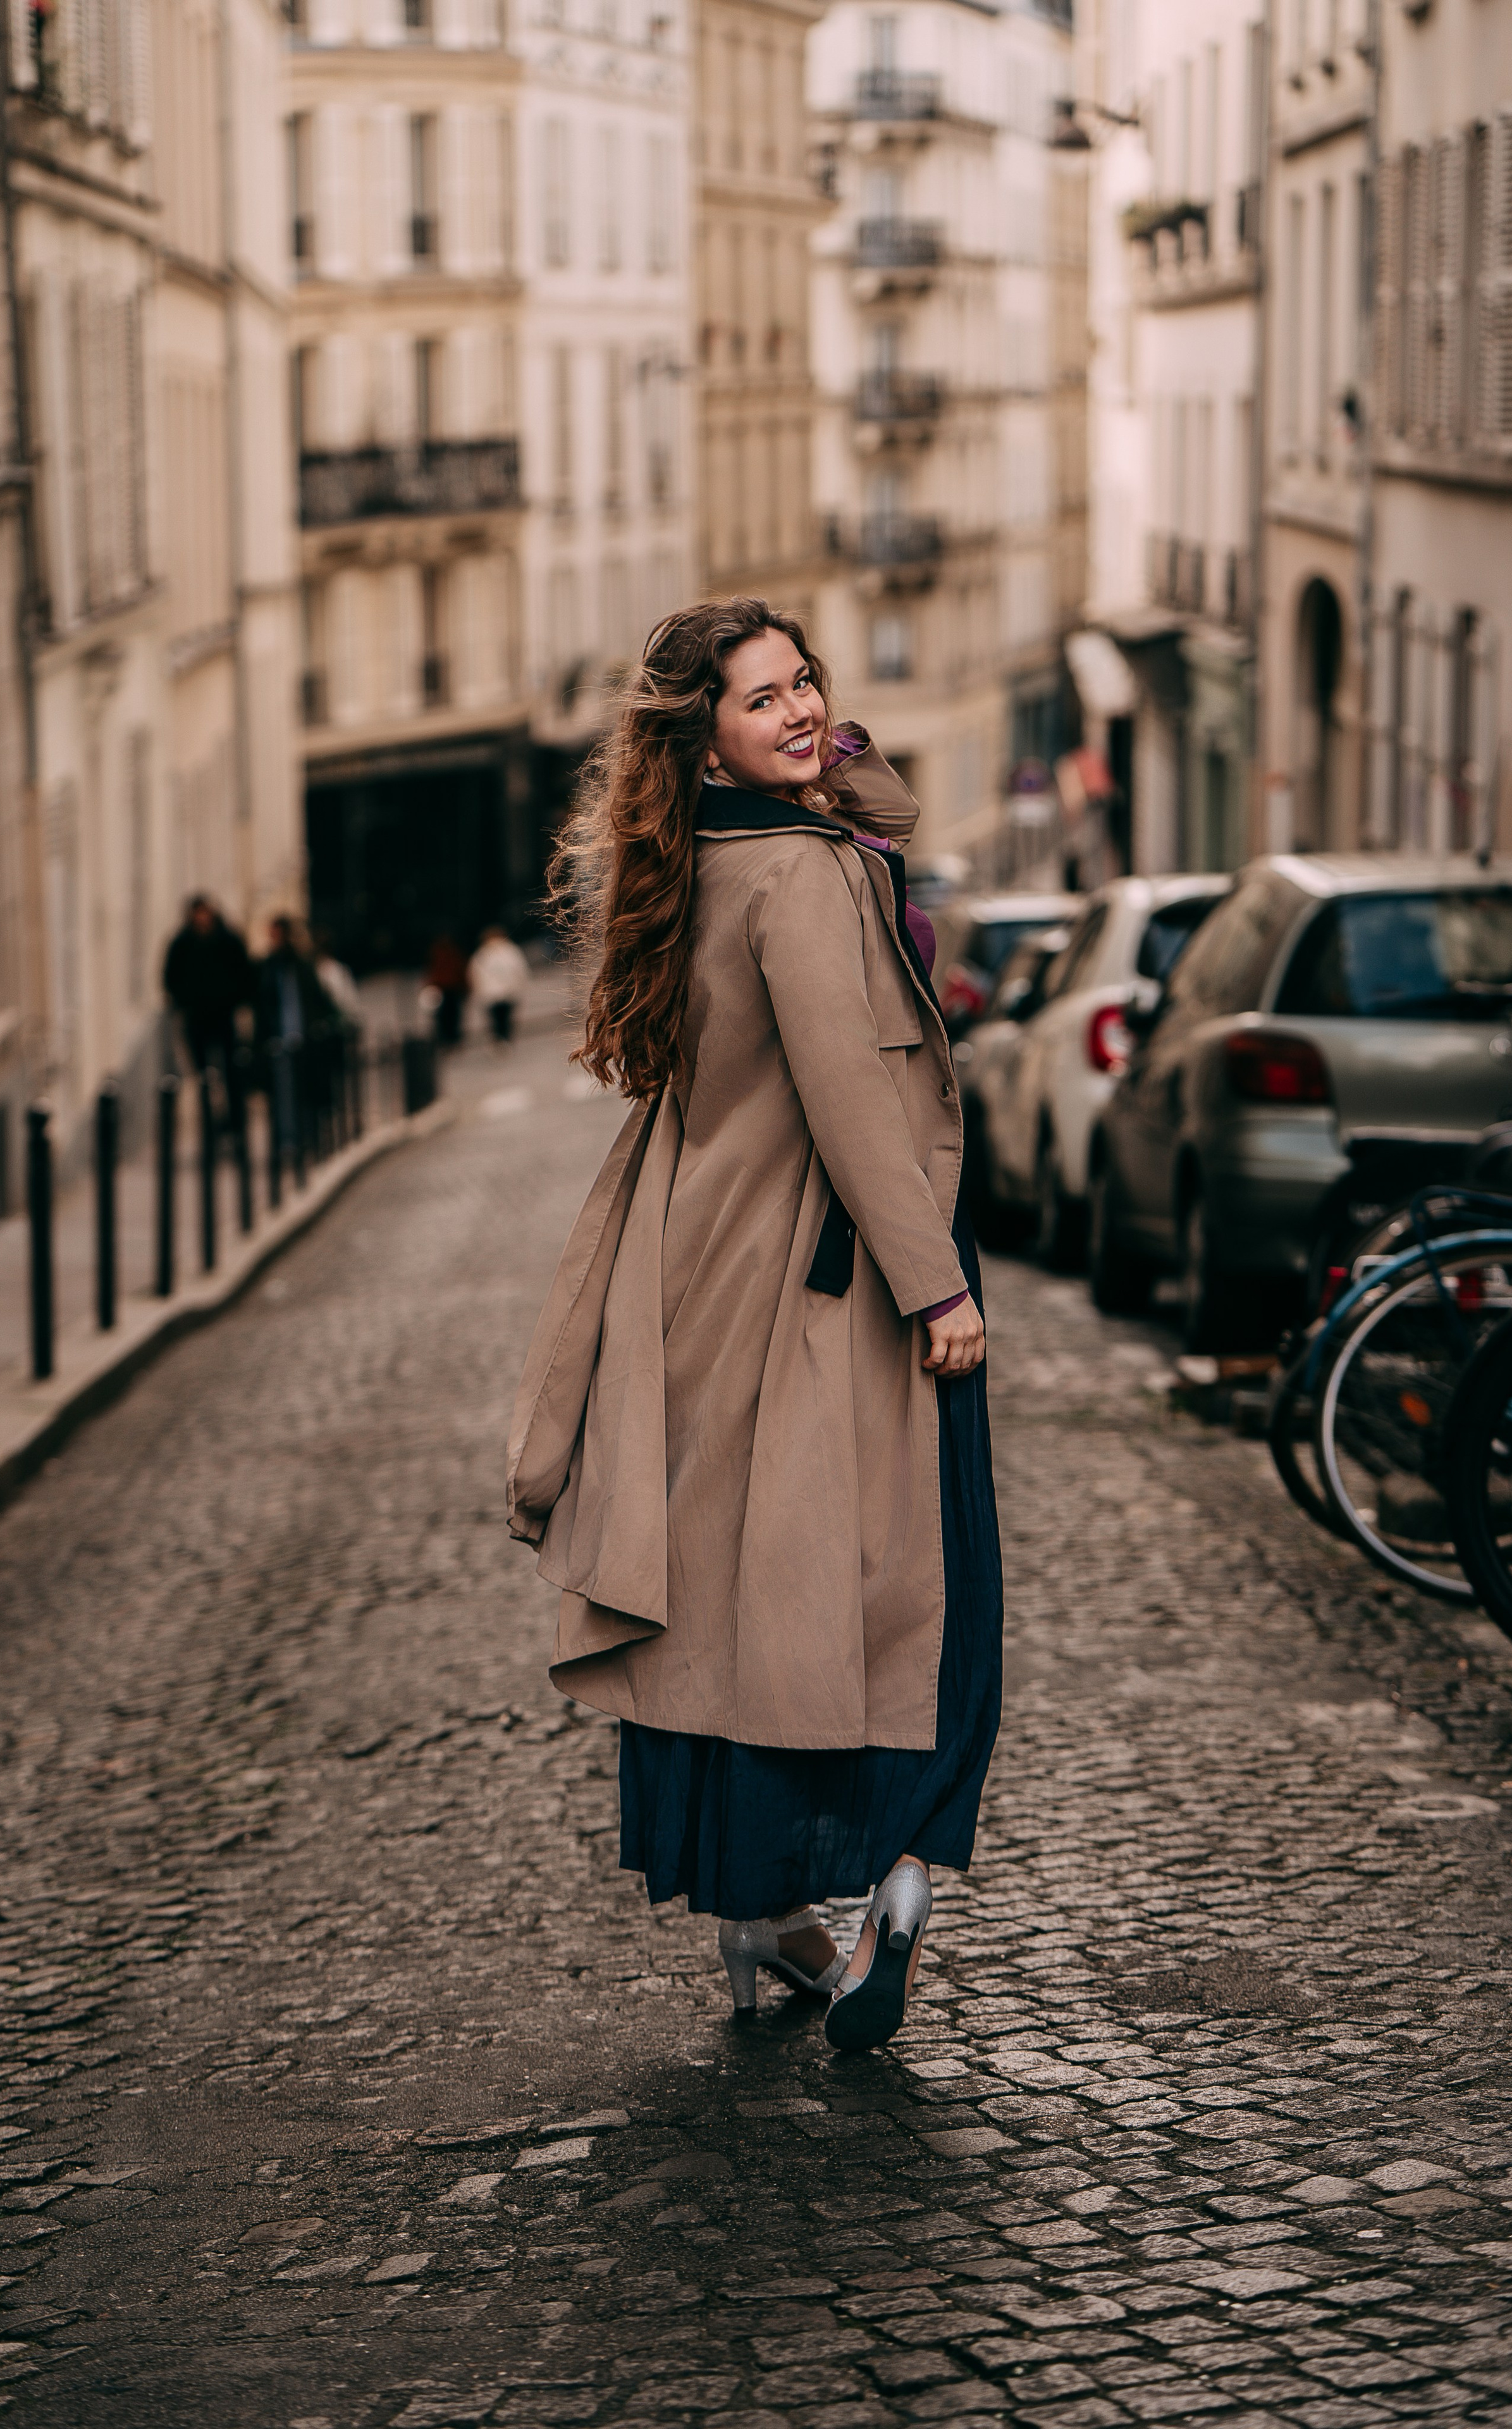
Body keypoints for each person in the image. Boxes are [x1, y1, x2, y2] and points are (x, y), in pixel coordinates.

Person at [507, 599, 1002, 2051]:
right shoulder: (799, 880)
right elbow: (851, 1095)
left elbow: (882, 795)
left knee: (729, 1603)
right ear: (699, 733)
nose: (797, 712)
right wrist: (938, 1287)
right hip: (835, 1268)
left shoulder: (713, 852)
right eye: (761, 698)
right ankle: (893, 1887)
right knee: (914, 1592)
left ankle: (756, 1930)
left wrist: (809, 745)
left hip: (708, 1275)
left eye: (807, 684)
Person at [256, 915, 336, 1165]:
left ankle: (307, 1142)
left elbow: (319, 1000)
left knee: (306, 1095)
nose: (274, 940)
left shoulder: (302, 966)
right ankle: (287, 1145)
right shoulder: (268, 968)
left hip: (304, 1041)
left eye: (277, 935)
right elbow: (261, 1005)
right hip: (278, 1044)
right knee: (281, 1097)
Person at [162, 895, 253, 1081]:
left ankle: (233, 1107)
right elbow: (171, 976)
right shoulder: (182, 944)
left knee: (231, 1066)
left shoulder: (228, 940)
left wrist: (236, 998)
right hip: (196, 1014)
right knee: (201, 1071)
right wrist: (183, 1001)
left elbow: (243, 971)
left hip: (224, 1012)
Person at [469, 926, 531, 1044]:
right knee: (500, 1018)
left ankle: (502, 1038)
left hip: (502, 992)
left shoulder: (506, 951)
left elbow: (519, 969)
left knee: (502, 1017)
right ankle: (501, 1038)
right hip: (495, 993)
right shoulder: (485, 954)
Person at [424, 934, 470, 1050]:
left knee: (445, 1016)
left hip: (445, 988)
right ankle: (450, 1039)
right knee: (450, 1015)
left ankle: (447, 1039)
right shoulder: (451, 953)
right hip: (449, 988)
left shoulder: (437, 953)